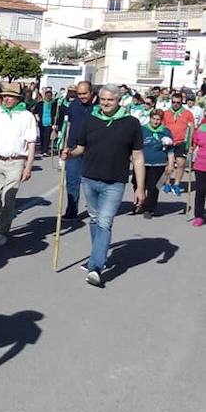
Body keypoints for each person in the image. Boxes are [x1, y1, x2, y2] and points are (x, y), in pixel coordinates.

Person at [62, 84, 144, 287]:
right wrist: (69, 153)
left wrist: (140, 187)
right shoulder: (91, 120)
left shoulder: (131, 123)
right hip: (90, 179)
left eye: (111, 100)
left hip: (114, 182)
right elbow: (81, 148)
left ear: (118, 101)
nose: (107, 103)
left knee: (105, 222)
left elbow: (138, 157)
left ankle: (96, 267)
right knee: (94, 219)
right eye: (104, 99)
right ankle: (97, 256)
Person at [0, 83, 37, 246]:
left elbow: (31, 143)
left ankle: (2, 231)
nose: (6, 99)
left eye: (10, 96)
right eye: (4, 96)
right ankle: (4, 215)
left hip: (16, 162)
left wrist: (28, 167)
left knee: (9, 198)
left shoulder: (26, 116)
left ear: (17, 99)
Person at [62, 81, 95, 219]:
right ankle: (72, 210)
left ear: (91, 92)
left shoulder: (99, 106)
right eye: (79, 94)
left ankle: (95, 209)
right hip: (74, 148)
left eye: (84, 94)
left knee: (91, 182)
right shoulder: (74, 104)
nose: (81, 96)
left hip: (92, 149)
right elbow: (69, 125)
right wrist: (65, 144)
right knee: (72, 181)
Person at [135, 109, 174, 218]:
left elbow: (170, 150)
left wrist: (170, 164)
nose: (156, 122)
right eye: (154, 119)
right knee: (138, 184)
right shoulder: (142, 130)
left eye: (158, 120)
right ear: (150, 118)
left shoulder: (166, 131)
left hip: (159, 163)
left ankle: (149, 208)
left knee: (154, 187)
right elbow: (135, 146)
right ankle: (139, 203)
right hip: (142, 163)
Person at [162, 92, 194, 196]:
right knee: (168, 165)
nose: (175, 104)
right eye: (173, 102)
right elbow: (162, 127)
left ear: (182, 102)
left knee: (181, 164)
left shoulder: (187, 113)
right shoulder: (166, 113)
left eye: (178, 102)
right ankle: (167, 182)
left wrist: (191, 144)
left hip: (181, 142)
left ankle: (176, 184)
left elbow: (191, 128)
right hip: (169, 142)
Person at [33, 88, 58, 157]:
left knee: (47, 137)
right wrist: (37, 118)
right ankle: (42, 149)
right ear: (45, 96)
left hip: (49, 123)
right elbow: (35, 112)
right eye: (47, 96)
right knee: (42, 136)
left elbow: (56, 114)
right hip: (42, 122)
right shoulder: (40, 103)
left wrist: (55, 123)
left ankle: (45, 151)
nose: (48, 97)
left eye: (50, 96)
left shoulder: (54, 104)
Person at [191, 118, 206, 226]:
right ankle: (199, 216)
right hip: (200, 165)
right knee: (200, 191)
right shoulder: (201, 129)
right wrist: (191, 148)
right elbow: (194, 143)